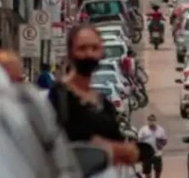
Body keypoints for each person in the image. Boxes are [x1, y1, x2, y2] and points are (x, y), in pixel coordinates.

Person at [47, 24, 141, 165]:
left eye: (94, 48)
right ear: (70, 52)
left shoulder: (104, 104)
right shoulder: (59, 97)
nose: (89, 54)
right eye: (82, 48)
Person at [138, 114, 167, 178]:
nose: (151, 122)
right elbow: (139, 140)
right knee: (147, 171)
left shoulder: (160, 130)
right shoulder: (143, 130)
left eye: (153, 120)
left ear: (155, 121)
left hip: (157, 153)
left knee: (158, 169)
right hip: (146, 154)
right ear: (147, 121)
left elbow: (165, 140)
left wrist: (161, 144)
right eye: (150, 120)